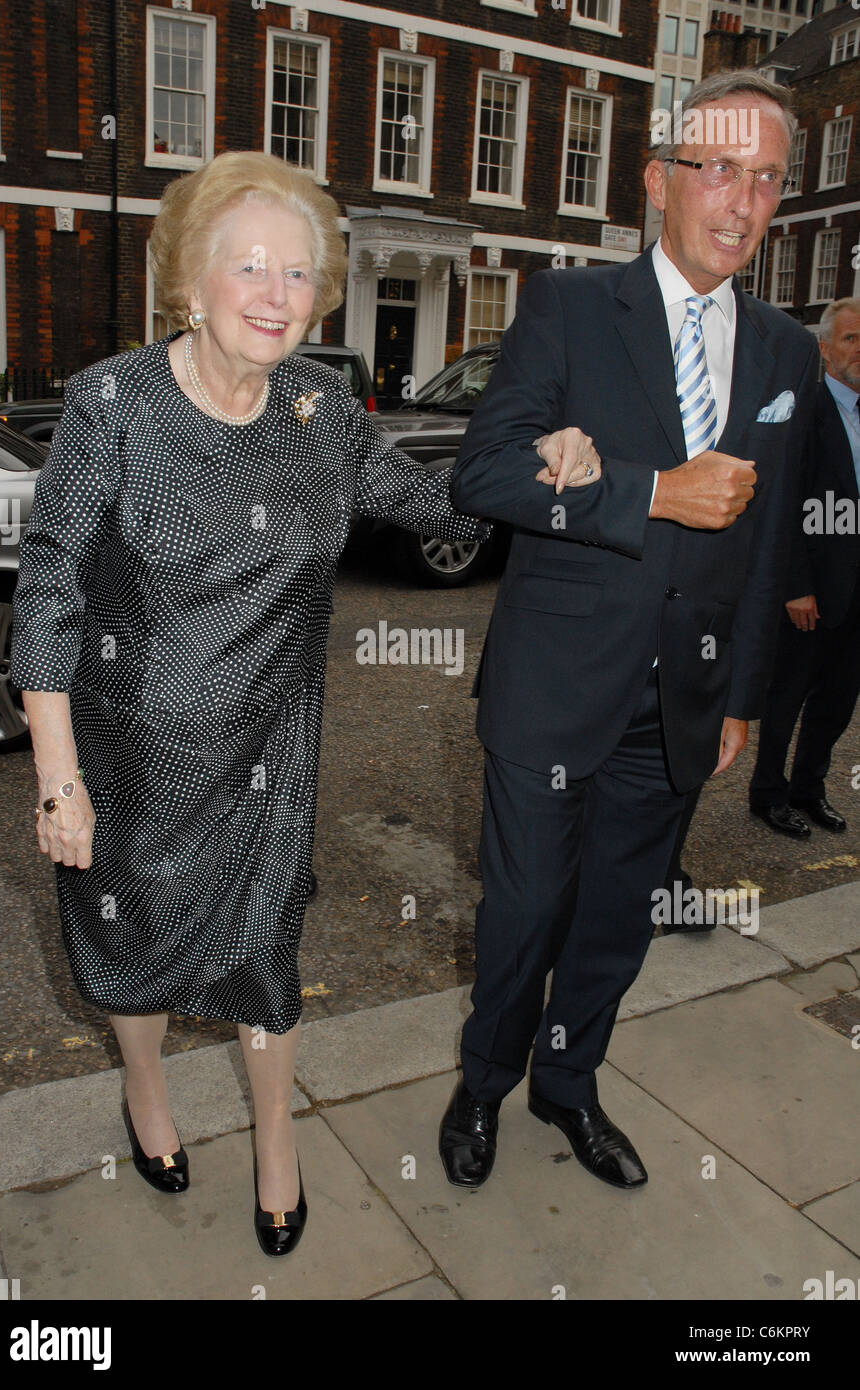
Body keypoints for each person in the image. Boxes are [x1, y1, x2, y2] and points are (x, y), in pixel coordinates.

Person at [10, 150, 488, 1257]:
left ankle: (279, 1138)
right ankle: (146, 1090)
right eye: (250, 267)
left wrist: (540, 461)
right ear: (190, 280)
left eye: (300, 273)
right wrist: (56, 774)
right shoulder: (112, 405)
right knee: (131, 952)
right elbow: (49, 590)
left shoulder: (321, 413)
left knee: (266, 951)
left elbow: (437, 502)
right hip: (129, 757)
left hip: (271, 752)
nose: (278, 294)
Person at [439, 70, 818, 1192]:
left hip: (687, 701)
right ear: (660, 180)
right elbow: (484, 474)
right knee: (523, 909)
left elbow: (768, 549)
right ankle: (484, 1080)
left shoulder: (787, 352)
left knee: (615, 917)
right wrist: (650, 493)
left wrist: (744, 694)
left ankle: (569, 1080)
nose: (741, 200)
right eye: (719, 170)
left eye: (766, 179)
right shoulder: (565, 307)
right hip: (555, 683)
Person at [749, 297, 860, 838]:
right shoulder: (804, 410)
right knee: (786, 696)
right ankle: (768, 795)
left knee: (838, 701)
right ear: (825, 348)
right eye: (850, 339)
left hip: (856, 594)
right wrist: (795, 585)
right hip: (809, 591)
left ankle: (808, 789)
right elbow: (782, 501)